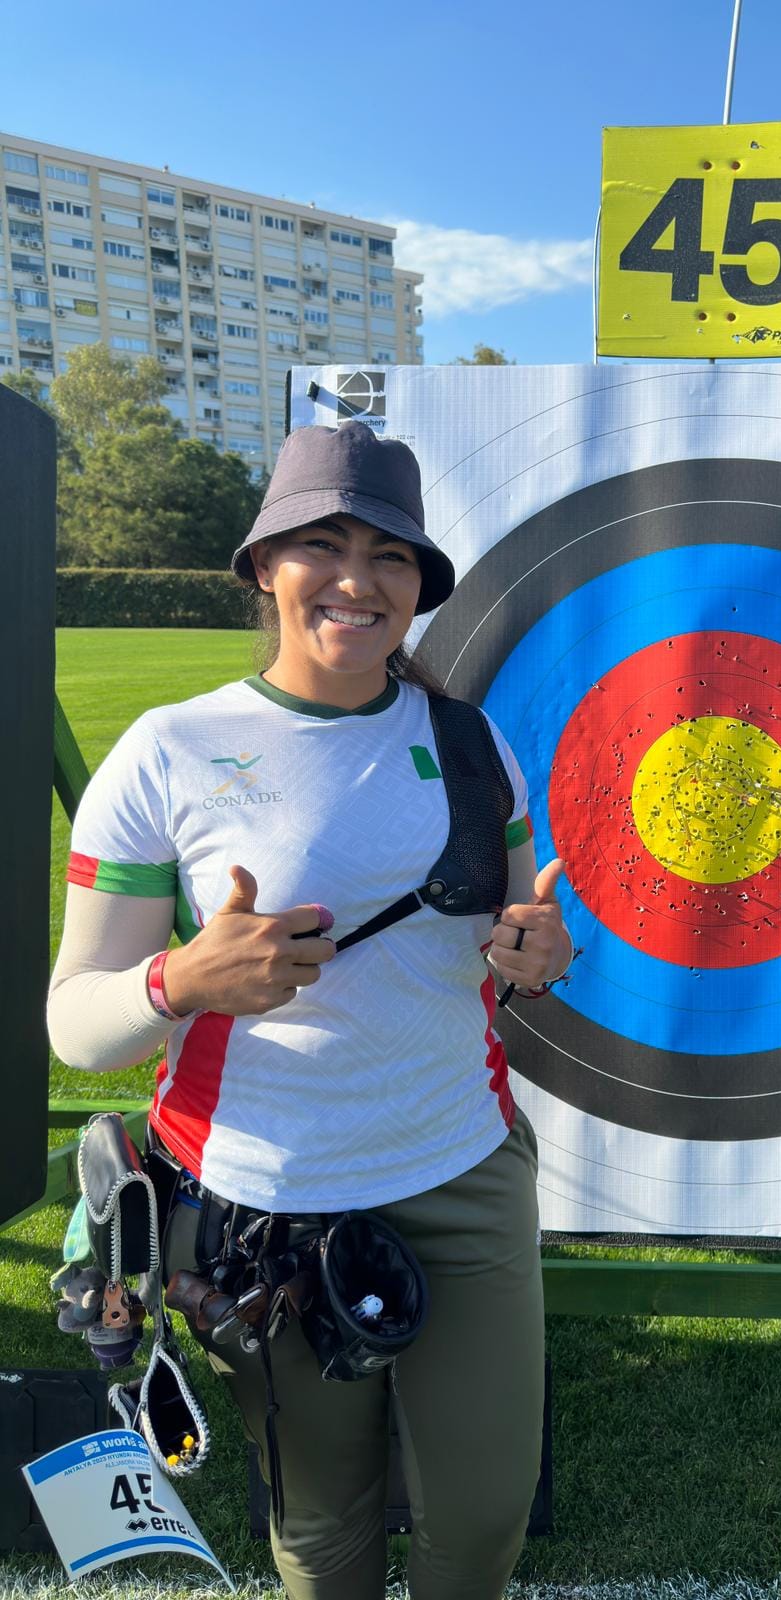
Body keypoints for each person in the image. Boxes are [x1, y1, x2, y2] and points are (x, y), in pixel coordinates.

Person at [46, 420, 573, 1600]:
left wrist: (534, 958)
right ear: (263, 567)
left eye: (390, 555)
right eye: (321, 546)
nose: (356, 580)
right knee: (323, 1522)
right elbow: (76, 1021)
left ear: (420, 584)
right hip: (263, 1199)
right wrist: (181, 981)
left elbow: (500, 949)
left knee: (484, 1515)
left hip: (463, 1168)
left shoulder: (471, 741)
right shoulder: (169, 751)